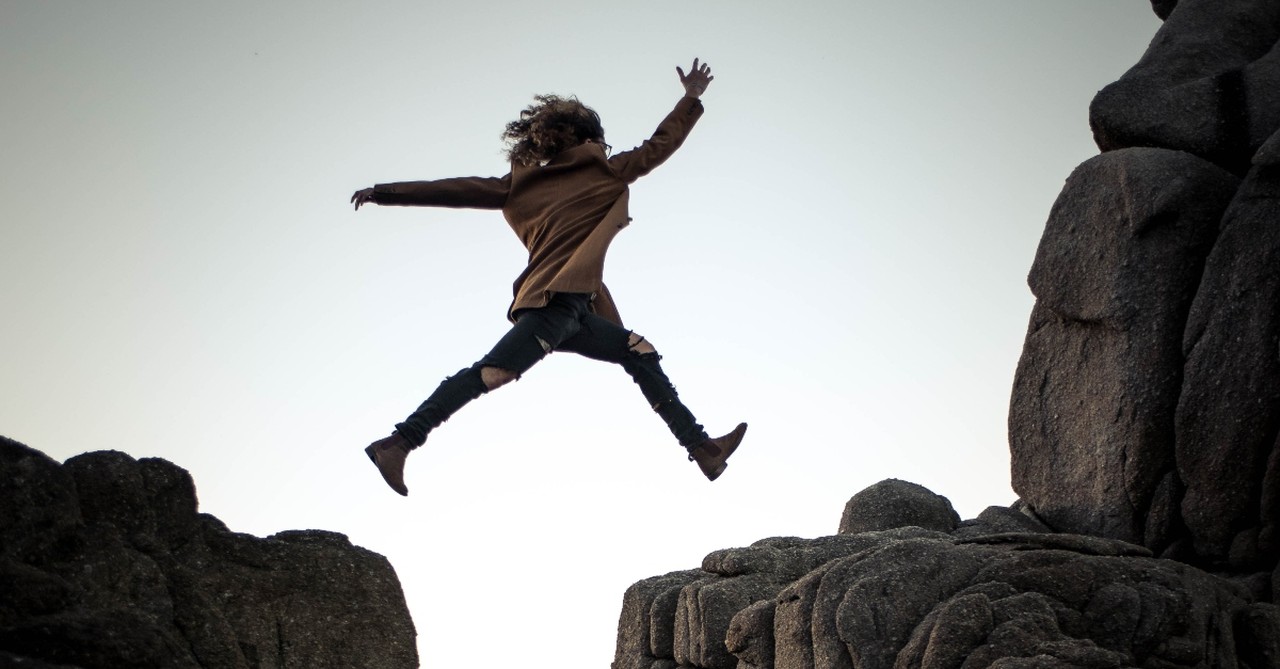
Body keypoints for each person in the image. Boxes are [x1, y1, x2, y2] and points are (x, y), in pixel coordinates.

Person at [352, 58, 745, 496]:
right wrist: (690, 98)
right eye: (600, 139)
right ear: (588, 139)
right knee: (493, 373)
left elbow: (452, 188)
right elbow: (660, 145)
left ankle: (703, 449)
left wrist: (385, 192)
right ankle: (400, 442)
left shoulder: (519, 185)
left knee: (639, 352)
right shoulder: (604, 171)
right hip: (552, 304)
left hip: (577, 308)